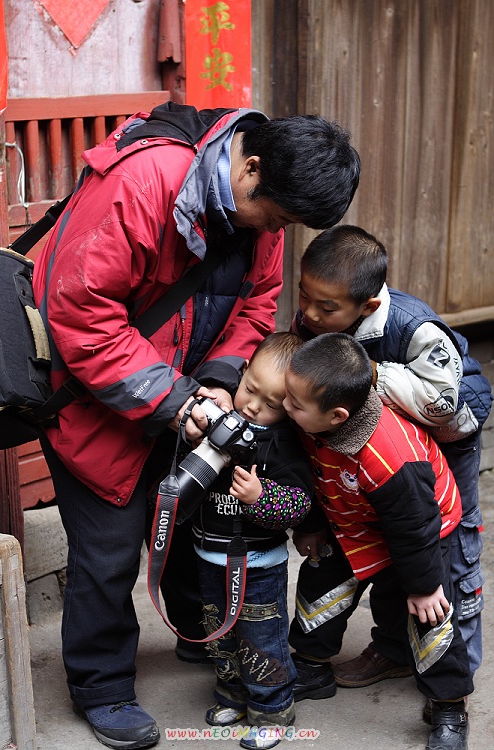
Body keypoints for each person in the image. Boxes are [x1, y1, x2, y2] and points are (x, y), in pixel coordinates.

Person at [32, 101, 361, 750]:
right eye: (281, 217)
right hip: (96, 403)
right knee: (109, 550)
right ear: (253, 168)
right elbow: (80, 313)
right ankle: (102, 688)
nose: (279, 231)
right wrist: (179, 402)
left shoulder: (260, 207)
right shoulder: (146, 182)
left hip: (184, 393)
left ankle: (193, 630)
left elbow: (258, 300)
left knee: (186, 518)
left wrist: (215, 382)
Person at [291, 225, 492, 686]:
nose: (311, 315)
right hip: (376, 443)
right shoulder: (313, 321)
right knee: (386, 543)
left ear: (369, 307)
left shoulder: (413, 326)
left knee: (448, 544)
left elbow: (441, 401)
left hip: (445, 435)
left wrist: (366, 374)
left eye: (327, 308)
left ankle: (456, 666)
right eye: (304, 298)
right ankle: (394, 649)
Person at [283, 332, 473, 750]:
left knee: (430, 618)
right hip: (353, 517)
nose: (285, 407)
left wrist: (423, 587)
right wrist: (310, 525)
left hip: (422, 527)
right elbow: (310, 477)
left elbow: (414, 526)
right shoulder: (310, 420)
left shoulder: (390, 458)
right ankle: (312, 668)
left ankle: (448, 706)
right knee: (320, 582)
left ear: (336, 416)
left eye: (294, 404)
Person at [187, 332, 312, 750]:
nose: (253, 405)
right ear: (242, 374)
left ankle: (273, 709)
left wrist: (262, 498)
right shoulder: (219, 423)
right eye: (250, 389)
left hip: (257, 564)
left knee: (262, 639)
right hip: (208, 554)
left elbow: (299, 505)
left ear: (291, 409)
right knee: (219, 633)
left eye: (272, 404)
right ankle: (233, 695)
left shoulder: (283, 445)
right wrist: (193, 436)